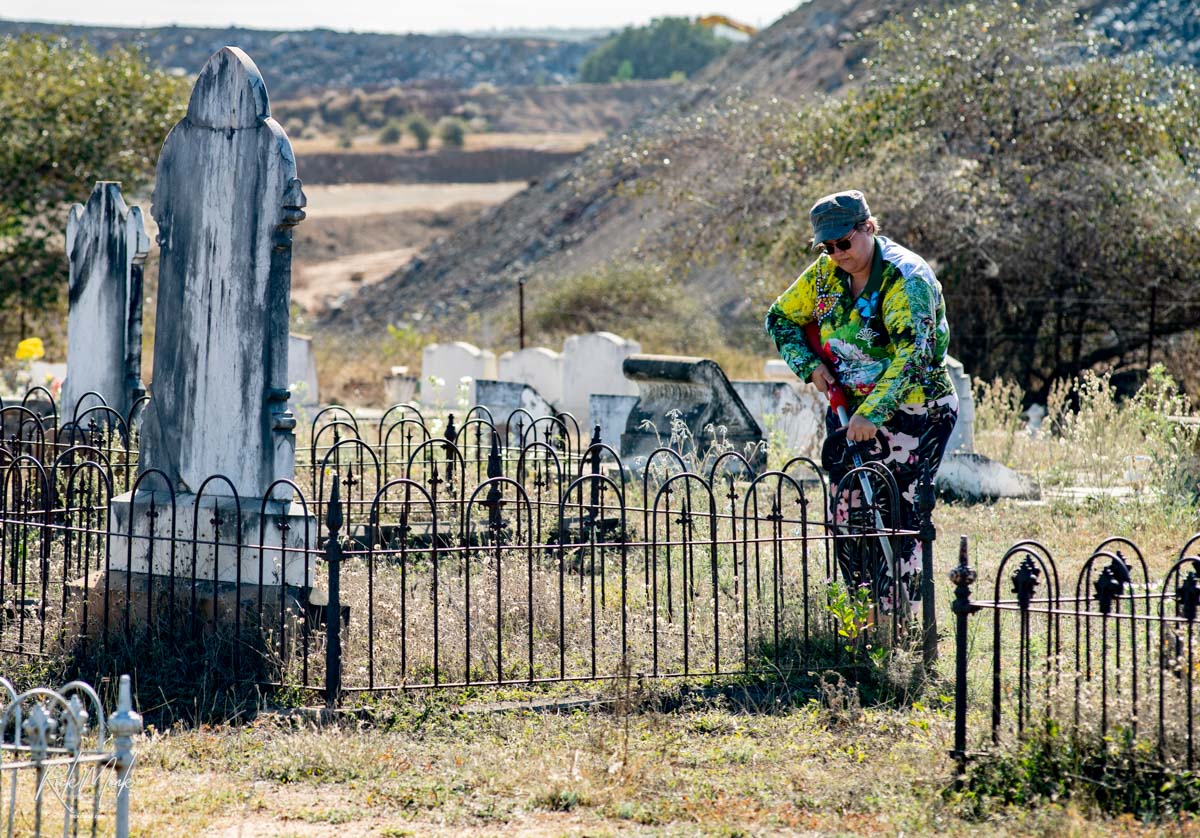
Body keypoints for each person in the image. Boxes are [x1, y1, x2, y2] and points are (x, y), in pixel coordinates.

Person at [764, 189, 958, 615]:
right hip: (849, 411)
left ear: (869, 228)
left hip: (916, 409)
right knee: (849, 515)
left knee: (899, 515)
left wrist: (873, 412)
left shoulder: (907, 279)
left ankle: (903, 626)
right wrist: (809, 366)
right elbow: (780, 318)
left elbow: (916, 355)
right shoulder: (823, 276)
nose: (837, 254)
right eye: (827, 247)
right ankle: (864, 618)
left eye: (844, 243)